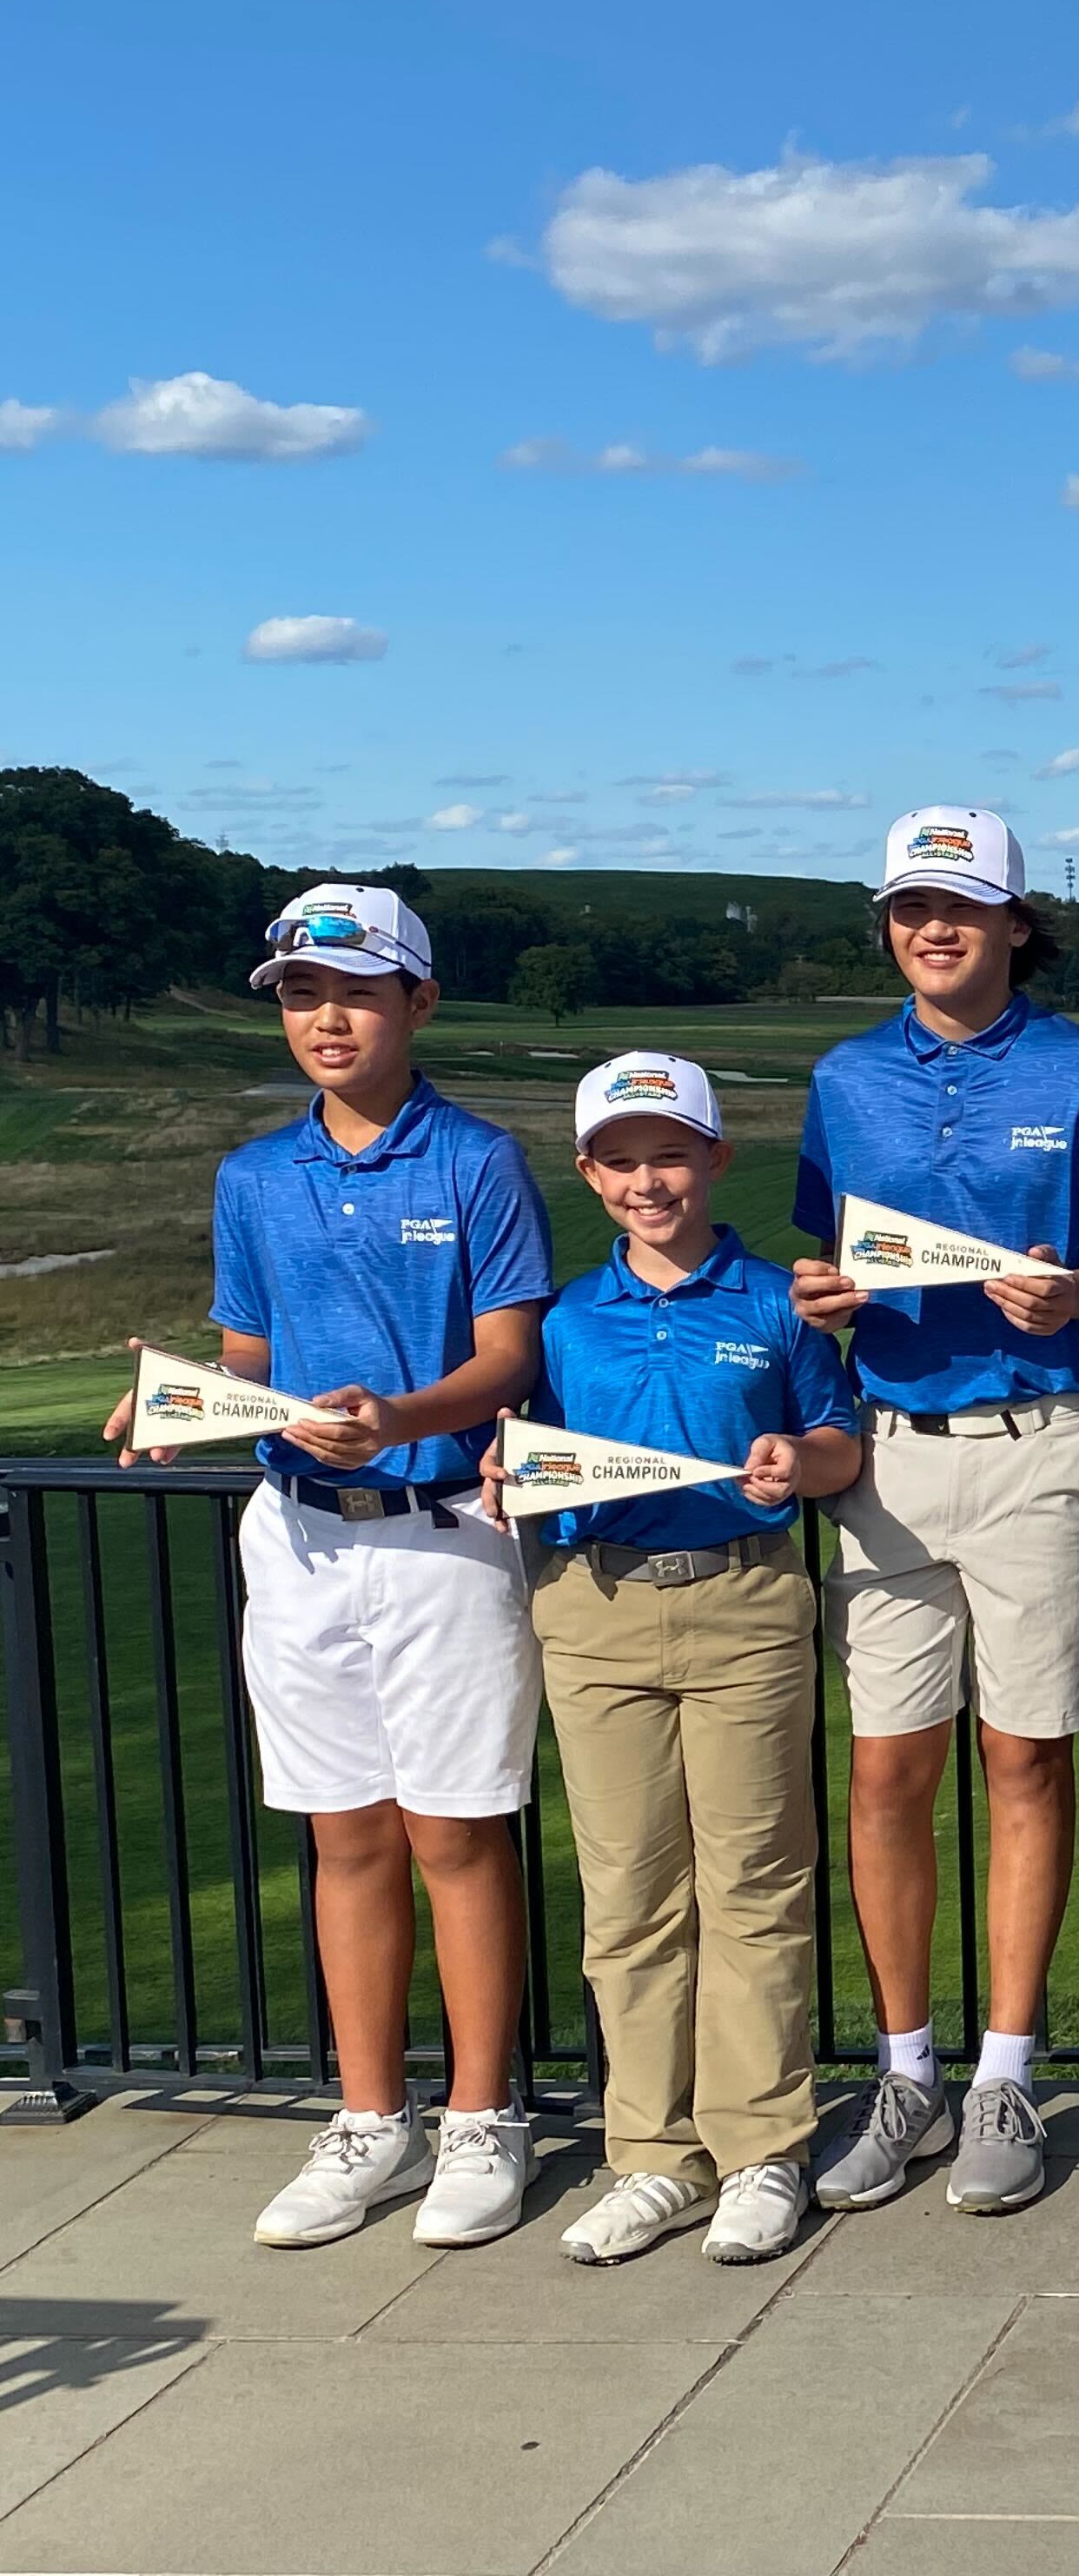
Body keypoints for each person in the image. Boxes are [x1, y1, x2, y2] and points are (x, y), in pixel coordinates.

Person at [105, 885, 553, 2249]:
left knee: (455, 1838)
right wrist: (169, 1402)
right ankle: (371, 2117)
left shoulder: (476, 1160)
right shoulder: (253, 1176)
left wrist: (402, 1417)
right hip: (296, 1535)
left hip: (440, 1530)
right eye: (302, 995)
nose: (325, 1018)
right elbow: (249, 1360)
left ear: (417, 1003)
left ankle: (483, 2116)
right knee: (343, 1834)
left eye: (354, 992)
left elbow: (509, 1356)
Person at [791, 808, 1079, 2217]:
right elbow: (831, 1258)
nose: (932, 930)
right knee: (887, 1774)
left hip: (1040, 1439)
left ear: (1013, 922)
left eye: (962, 907)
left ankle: (1005, 2069)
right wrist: (819, 1296)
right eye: (908, 909)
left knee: (1025, 1762)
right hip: (885, 1455)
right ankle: (908, 2072)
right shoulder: (845, 1075)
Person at [490, 1053, 862, 2267]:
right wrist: (507, 1476)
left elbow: (839, 1441)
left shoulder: (773, 1301)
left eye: (669, 1154)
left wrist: (795, 1466)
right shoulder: (564, 1320)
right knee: (630, 1892)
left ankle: (762, 2150)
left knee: (754, 1880)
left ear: (712, 1158)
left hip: (745, 1604)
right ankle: (653, 2156)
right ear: (590, 1174)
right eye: (620, 1158)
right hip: (591, 1609)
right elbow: (525, 1452)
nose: (647, 1180)